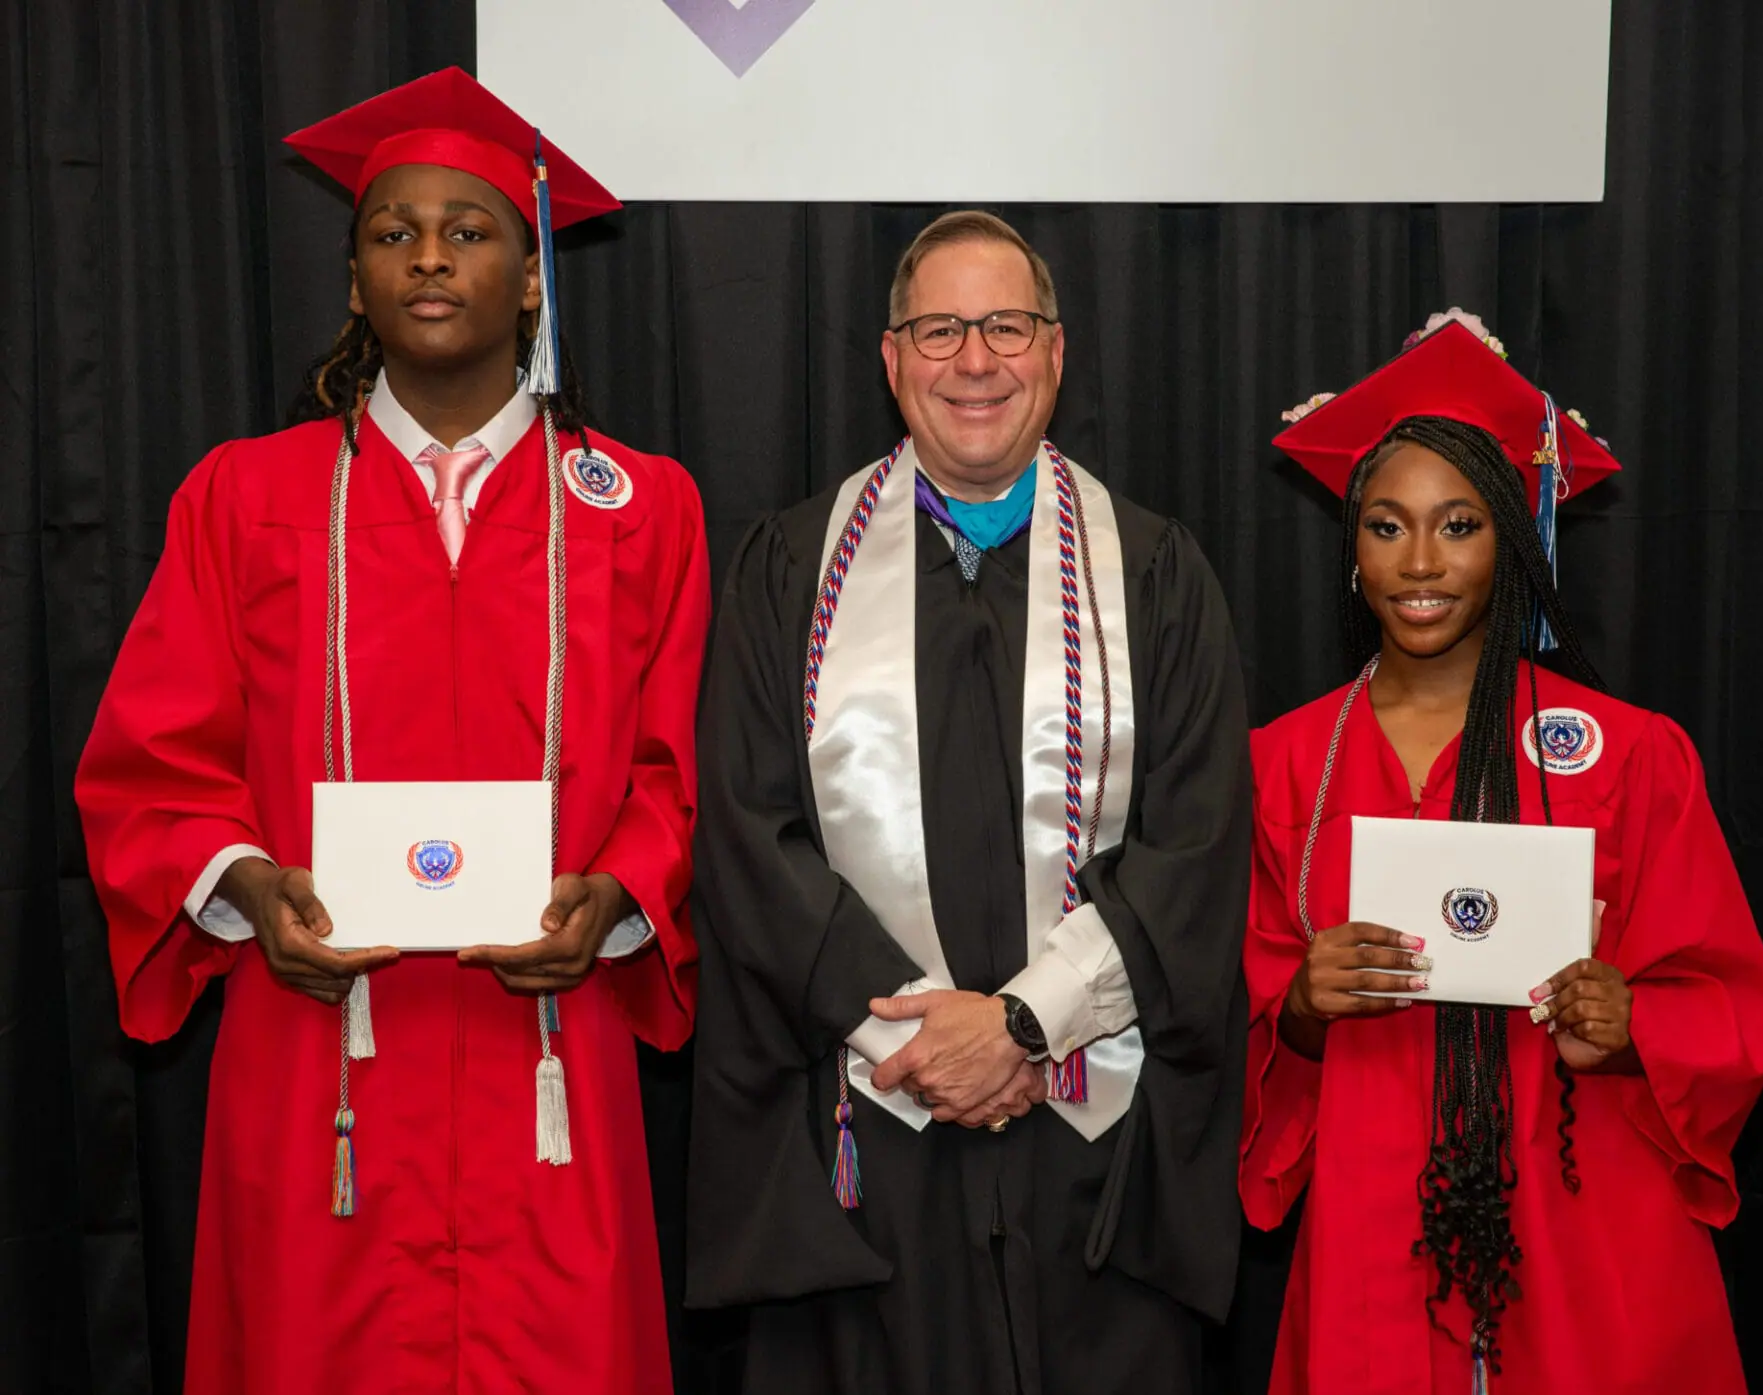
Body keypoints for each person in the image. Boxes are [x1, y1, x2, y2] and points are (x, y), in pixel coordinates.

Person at [74, 68, 706, 1394]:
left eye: (468, 231)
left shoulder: (640, 507)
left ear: (530, 282)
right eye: (392, 232)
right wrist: (249, 887)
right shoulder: (244, 496)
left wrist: (618, 899)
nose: (428, 257)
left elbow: (681, 768)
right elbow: (151, 763)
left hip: (548, 1056)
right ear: (356, 283)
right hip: (318, 1049)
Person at [685, 210, 1250, 1395]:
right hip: (866, 1126)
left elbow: (1195, 845)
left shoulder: (1155, 572)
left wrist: (1024, 1024)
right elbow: (748, 835)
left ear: (1058, 351)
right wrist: (919, 1041)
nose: (976, 361)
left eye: (1007, 327)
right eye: (941, 330)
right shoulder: (792, 570)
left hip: (1092, 1127)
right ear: (892, 360)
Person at [1239, 310, 1763, 1394]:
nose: (1421, 562)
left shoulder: (1628, 755)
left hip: (1584, 1214)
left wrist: (1632, 1024)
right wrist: (1299, 1007)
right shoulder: (1288, 763)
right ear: (1352, 550)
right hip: (1369, 1226)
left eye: (1461, 525)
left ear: (1515, 542)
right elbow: (1232, 1019)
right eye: (1386, 526)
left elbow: (1730, 1001)